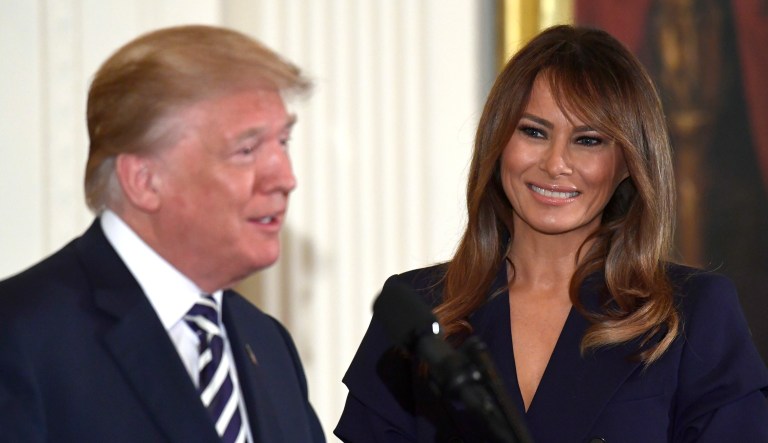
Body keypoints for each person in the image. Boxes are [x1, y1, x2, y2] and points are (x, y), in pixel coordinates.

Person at [335, 25, 768, 442]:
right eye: (534, 132)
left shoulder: (692, 313)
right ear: (499, 143)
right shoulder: (418, 311)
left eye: (589, 140)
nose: (556, 163)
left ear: (628, 164)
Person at [0, 25, 324, 442]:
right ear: (144, 179)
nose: (285, 177)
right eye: (246, 150)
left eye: (283, 142)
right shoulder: (21, 338)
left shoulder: (268, 345)